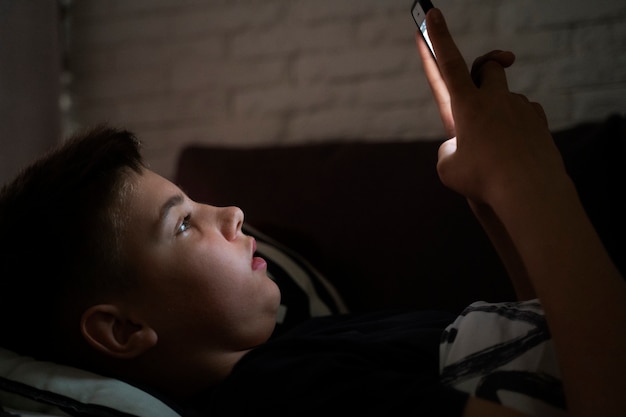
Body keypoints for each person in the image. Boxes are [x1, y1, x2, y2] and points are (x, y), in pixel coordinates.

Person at [0, 7, 624, 417]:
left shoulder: (291, 349)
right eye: (183, 222)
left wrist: (487, 197)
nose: (234, 213)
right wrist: (531, 181)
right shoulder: (285, 397)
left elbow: (539, 346)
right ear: (123, 330)